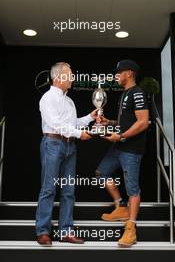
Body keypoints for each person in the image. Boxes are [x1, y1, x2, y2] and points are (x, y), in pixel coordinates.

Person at [36, 62, 98, 246]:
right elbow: (56, 124)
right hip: (53, 144)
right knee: (48, 189)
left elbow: (73, 123)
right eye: (69, 74)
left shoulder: (69, 100)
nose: (72, 77)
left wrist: (90, 117)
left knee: (68, 191)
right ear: (58, 77)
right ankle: (43, 231)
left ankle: (66, 231)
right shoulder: (48, 98)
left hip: (70, 147)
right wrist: (80, 134)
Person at [96, 59, 149, 247]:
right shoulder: (124, 94)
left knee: (133, 189)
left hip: (131, 150)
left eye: (119, 73)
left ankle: (131, 229)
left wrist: (121, 137)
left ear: (129, 74)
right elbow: (125, 122)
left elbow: (143, 122)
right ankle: (121, 206)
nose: (116, 76)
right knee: (102, 173)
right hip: (119, 147)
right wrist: (108, 123)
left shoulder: (138, 93)